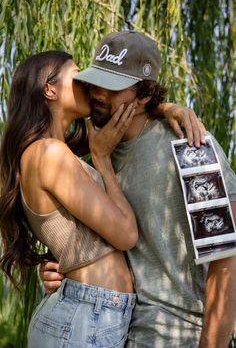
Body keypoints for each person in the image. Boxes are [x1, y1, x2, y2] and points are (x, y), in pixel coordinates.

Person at [41, 31, 236, 348]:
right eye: (94, 81)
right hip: (111, 335)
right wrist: (56, 272)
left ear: (144, 95)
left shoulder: (191, 148)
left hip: (177, 337)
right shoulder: (93, 161)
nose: (97, 93)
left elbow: (225, 260)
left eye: (112, 86)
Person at [0, 49, 204, 347]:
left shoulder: (54, 150)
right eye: (78, 77)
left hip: (91, 314)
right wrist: (103, 161)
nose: (90, 87)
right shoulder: (49, 153)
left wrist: (166, 108)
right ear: (50, 88)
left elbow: (123, 115)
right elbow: (126, 234)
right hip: (85, 317)